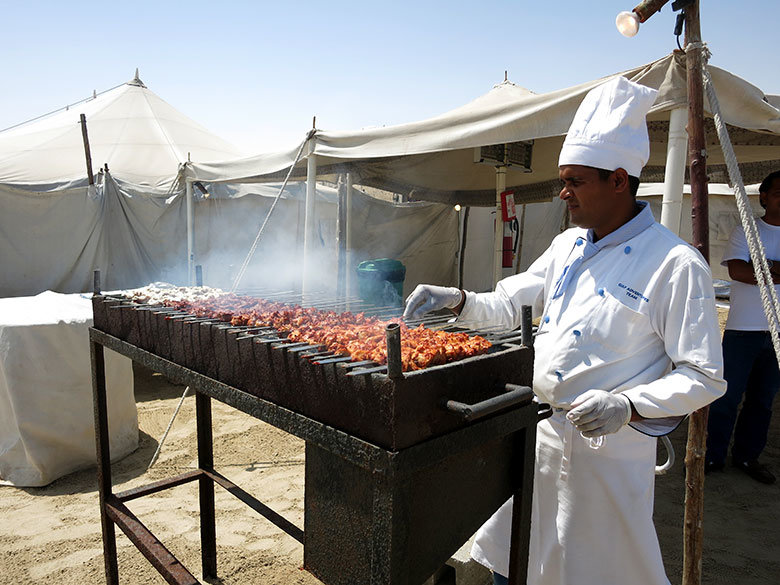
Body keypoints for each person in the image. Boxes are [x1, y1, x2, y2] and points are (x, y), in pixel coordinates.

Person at [403, 76, 726, 585]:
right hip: (541, 438)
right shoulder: (569, 246)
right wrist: (459, 300)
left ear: (619, 179)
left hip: (607, 458)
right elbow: (510, 303)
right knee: (517, 561)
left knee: (592, 571)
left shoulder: (674, 264)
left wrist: (629, 404)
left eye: (575, 180)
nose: (563, 192)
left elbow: (704, 375)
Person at [705, 170, 780, 485]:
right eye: (778, 192)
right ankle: (712, 456)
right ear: (763, 197)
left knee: (763, 402)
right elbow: (737, 271)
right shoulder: (747, 230)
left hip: (777, 335)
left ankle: (748, 457)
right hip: (742, 330)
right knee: (726, 397)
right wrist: (771, 270)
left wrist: (762, 267)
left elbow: (753, 271)